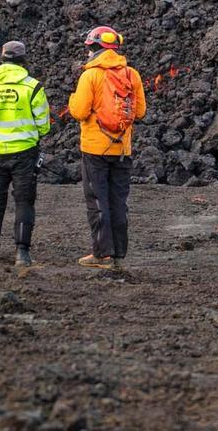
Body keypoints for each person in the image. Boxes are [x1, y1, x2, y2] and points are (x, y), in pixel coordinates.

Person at [68, 25, 146, 270]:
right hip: (123, 150)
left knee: (97, 200)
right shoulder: (132, 75)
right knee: (118, 201)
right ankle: (119, 252)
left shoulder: (90, 75)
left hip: (95, 149)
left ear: (95, 48)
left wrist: (72, 100)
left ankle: (102, 255)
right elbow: (140, 111)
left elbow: (79, 111)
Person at [0, 40, 51, 268]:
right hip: (25, 154)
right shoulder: (33, 87)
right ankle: (22, 253)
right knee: (24, 202)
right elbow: (44, 124)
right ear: (23, 59)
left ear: (2, 58)